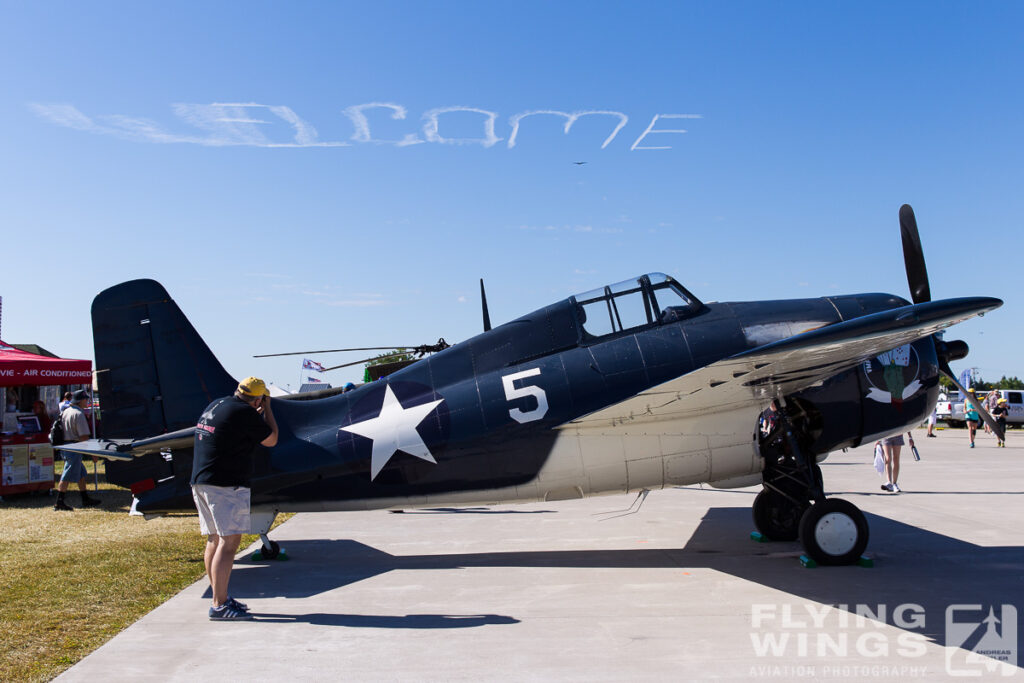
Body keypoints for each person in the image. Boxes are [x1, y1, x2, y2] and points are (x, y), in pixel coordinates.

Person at [191, 376, 278, 621]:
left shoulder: (217, 404)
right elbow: (271, 439)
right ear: (258, 399)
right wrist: (268, 410)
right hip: (225, 484)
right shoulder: (245, 413)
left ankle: (220, 598)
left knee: (215, 539)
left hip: (201, 480)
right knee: (229, 544)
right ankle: (219, 605)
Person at [53, 390, 101, 511]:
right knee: (67, 474)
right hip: (74, 447)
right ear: (80, 401)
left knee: (80, 473)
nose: (87, 401)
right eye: (86, 399)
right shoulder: (79, 414)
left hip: (66, 446)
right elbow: (84, 437)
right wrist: (93, 454)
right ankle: (59, 502)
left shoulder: (66, 411)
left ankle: (85, 498)